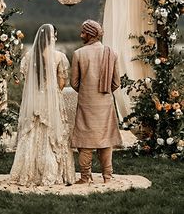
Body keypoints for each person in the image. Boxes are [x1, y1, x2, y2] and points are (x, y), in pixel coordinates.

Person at [10, 24, 75, 187]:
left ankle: (27, 172)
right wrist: (52, 92)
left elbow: (27, 82)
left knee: (32, 132)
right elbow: (61, 83)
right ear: (52, 37)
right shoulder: (59, 56)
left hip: (34, 102)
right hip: (52, 102)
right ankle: (52, 172)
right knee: (53, 135)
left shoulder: (29, 56)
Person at [70, 19, 122, 184]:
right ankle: (107, 176)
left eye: (83, 32)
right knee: (105, 139)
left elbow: (74, 83)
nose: (80, 35)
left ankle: (85, 177)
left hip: (86, 102)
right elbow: (116, 83)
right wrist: (103, 93)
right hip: (105, 104)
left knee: (85, 141)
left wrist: (87, 91)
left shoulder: (79, 54)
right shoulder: (111, 53)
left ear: (89, 34)